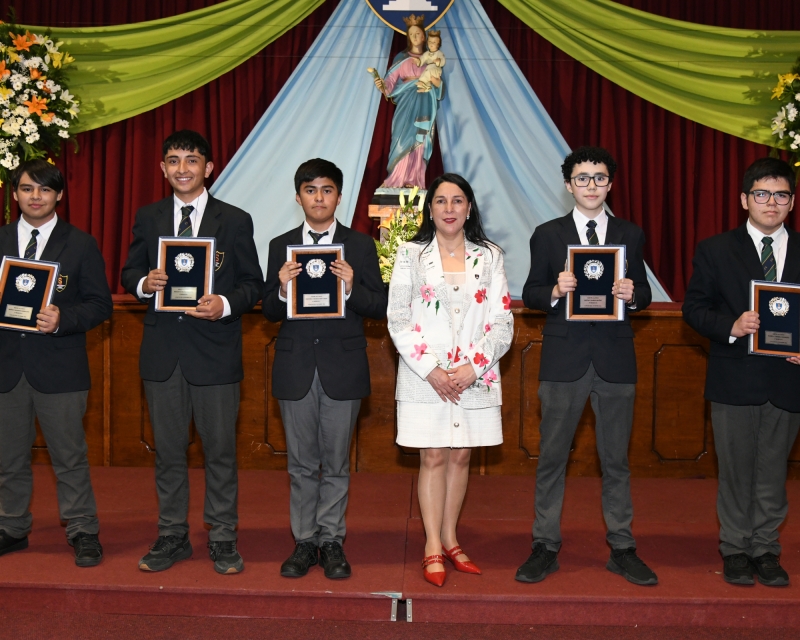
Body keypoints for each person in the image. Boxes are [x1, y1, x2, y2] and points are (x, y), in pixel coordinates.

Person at [121, 130, 263, 575]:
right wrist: (146, 284)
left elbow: (252, 285)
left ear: (209, 167)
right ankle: (171, 536)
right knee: (168, 451)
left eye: (192, 160)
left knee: (220, 450)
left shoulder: (235, 220)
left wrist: (224, 304)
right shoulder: (149, 217)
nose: (183, 168)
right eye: (174, 160)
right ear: (162, 168)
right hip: (163, 353)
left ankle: (222, 537)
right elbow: (129, 273)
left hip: (215, 353)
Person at [518, 146, 657, 586]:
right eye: (583, 178)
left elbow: (646, 297)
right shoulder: (548, 234)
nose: (591, 186)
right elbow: (531, 293)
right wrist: (556, 290)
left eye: (599, 178)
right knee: (552, 458)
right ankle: (544, 545)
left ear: (610, 184)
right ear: (568, 185)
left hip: (616, 359)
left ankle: (622, 546)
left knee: (615, 461)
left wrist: (632, 294)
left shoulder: (630, 234)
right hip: (564, 360)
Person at [263, 158, 386, 580]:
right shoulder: (281, 244)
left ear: (339, 196)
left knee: (334, 463)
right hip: (296, 366)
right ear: (298, 197)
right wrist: (281, 286)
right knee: (300, 464)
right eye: (311, 190)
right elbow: (266, 311)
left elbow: (380, 306)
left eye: (327, 189)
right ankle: (304, 542)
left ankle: (331, 541)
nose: (319, 197)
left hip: (342, 366)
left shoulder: (361, 245)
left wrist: (352, 286)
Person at [387, 173, 513, 587]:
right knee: (434, 457)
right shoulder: (410, 253)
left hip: (474, 376)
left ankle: (452, 538)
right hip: (426, 376)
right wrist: (434, 371)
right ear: (430, 208)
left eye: (457, 201)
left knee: (461, 456)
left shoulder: (490, 255)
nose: (449, 208)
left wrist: (472, 367)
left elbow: (502, 321)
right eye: (441, 201)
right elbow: (399, 318)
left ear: (469, 208)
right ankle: (431, 546)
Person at [683, 157, 800, 586]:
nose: (772, 202)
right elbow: (693, 309)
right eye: (762, 194)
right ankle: (735, 548)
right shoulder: (716, 249)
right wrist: (730, 326)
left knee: (773, 471)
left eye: (781, 195)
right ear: (744, 199)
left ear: (791, 202)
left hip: (788, 380)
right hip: (735, 377)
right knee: (734, 470)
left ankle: (766, 549)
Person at [0, 159, 112, 567]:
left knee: (70, 456)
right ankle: (12, 526)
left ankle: (82, 529)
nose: (35, 197)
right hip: (6, 368)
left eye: (44, 190)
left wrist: (65, 319)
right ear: (15, 194)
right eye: (27, 189)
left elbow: (100, 305)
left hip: (61, 369)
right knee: (7, 456)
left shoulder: (80, 243)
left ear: (59, 195)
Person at [373, 15, 444, 189]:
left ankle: (414, 181)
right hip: (406, 104)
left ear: (424, 36)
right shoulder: (402, 58)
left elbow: (440, 89)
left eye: (418, 33)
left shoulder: (432, 59)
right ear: (408, 37)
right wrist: (382, 84)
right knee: (402, 138)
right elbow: (390, 83)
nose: (415, 37)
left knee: (420, 139)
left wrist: (434, 82)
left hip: (425, 102)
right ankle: (396, 180)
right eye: (411, 34)